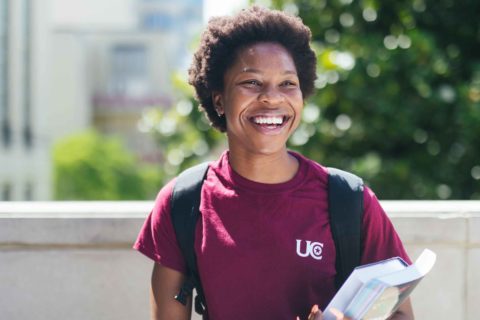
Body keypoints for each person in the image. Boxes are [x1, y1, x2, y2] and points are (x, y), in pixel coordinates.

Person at [134, 6, 414, 320]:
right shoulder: (183, 203)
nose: (272, 98)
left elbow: (400, 313)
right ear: (218, 100)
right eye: (251, 83)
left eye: (287, 84)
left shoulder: (350, 201)